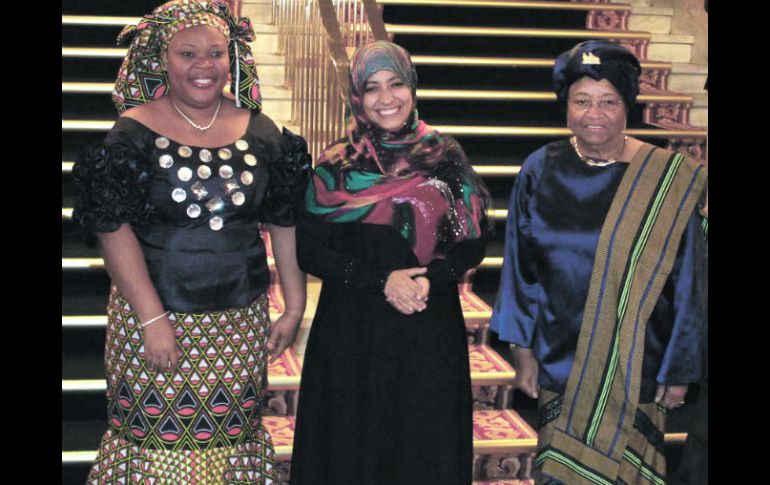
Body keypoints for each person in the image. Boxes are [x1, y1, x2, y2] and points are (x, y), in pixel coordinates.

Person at [71, 1, 310, 483]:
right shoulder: (133, 132)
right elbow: (112, 227)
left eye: (216, 53)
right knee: (154, 441)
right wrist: (152, 318)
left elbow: (283, 218)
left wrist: (293, 305)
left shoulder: (261, 131)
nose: (204, 65)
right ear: (163, 59)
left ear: (231, 59)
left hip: (237, 325)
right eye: (188, 53)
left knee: (229, 443)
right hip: (156, 320)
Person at [489, 40, 708, 485]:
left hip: (638, 364)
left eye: (609, 101)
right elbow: (520, 267)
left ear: (627, 105)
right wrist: (522, 349)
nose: (595, 113)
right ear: (566, 106)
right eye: (582, 101)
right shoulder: (540, 168)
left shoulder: (670, 177)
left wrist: (681, 367)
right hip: (560, 357)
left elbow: (691, 281)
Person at [288, 40, 492, 485]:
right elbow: (310, 250)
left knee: (422, 447)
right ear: (356, 98)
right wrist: (380, 281)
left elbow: (474, 241)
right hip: (351, 334)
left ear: (412, 88)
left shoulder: (445, 158)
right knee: (349, 446)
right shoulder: (334, 167)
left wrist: (432, 278)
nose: (386, 99)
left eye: (395, 84)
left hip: (426, 329)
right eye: (372, 88)